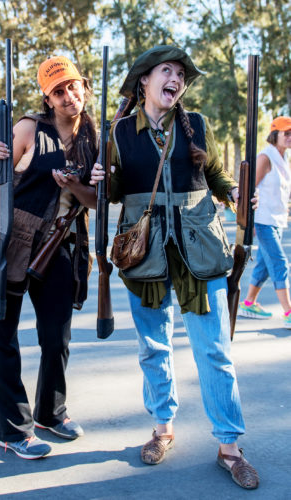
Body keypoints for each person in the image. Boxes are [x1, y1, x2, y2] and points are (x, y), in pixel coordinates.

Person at [90, 46, 259, 489]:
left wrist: (236, 195)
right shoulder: (121, 131)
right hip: (144, 251)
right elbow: (114, 190)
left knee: (214, 349)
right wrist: (99, 180)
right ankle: (162, 427)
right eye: (167, 71)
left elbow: (216, 175)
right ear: (144, 81)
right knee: (154, 347)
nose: (176, 79)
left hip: (198, 246)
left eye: (181, 74)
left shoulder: (197, 124)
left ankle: (229, 445)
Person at [0, 56, 97, 459]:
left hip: (62, 244)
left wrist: (76, 186)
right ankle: (13, 430)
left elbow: (97, 200)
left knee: (57, 335)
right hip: (16, 239)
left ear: (84, 86)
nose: (69, 96)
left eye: (73, 87)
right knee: (4, 335)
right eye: (59, 91)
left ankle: (51, 411)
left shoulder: (94, 138)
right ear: (47, 99)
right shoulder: (29, 128)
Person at [239, 116, 291, 326]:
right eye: (286, 133)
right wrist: (248, 222)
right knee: (279, 262)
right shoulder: (266, 157)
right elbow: (250, 188)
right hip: (263, 221)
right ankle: (288, 312)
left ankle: (249, 303)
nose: (289, 137)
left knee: (264, 265)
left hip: (278, 220)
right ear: (274, 134)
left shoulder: (283, 158)